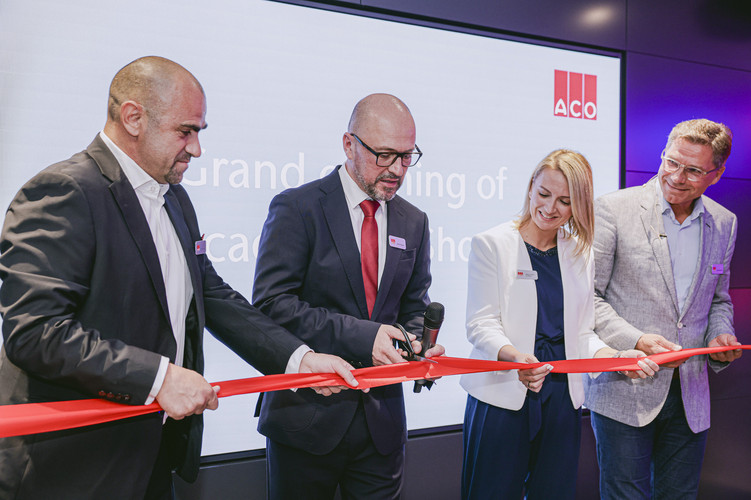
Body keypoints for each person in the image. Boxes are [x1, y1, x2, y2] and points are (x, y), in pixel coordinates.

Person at [0, 56, 359, 500]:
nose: (196, 149)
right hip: (72, 469)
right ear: (133, 118)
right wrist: (159, 378)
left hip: (151, 454)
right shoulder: (65, 191)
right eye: (185, 131)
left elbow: (211, 296)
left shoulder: (176, 199)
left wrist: (299, 360)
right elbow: (35, 333)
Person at [252, 93, 444, 499]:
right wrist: (365, 337)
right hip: (305, 420)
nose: (397, 170)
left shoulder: (414, 221)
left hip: (382, 425)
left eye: (407, 156)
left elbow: (414, 306)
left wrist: (416, 345)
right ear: (348, 144)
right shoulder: (298, 207)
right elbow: (272, 305)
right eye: (385, 155)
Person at [460, 149, 658, 500]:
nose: (550, 208)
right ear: (530, 188)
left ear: (578, 205)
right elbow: (481, 323)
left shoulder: (579, 251)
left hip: (561, 397)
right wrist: (515, 358)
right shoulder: (492, 244)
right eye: (544, 194)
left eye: (565, 201)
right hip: (503, 391)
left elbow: (582, 333)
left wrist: (616, 358)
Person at [584, 118, 742, 499]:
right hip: (625, 390)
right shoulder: (613, 209)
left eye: (693, 170)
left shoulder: (724, 223)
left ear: (717, 174)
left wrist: (721, 333)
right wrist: (637, 340)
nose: (676, 176)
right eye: (672, 162)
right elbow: (588, 299)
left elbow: (718, 299)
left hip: (690, 397)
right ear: (663, 154)